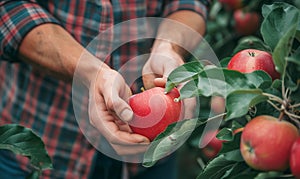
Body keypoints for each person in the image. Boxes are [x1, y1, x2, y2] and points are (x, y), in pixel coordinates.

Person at [0, 0, 210, 178]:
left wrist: (168, 47)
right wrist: (90, 72)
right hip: (39, 142)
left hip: (151, 157)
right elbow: (8, 8)